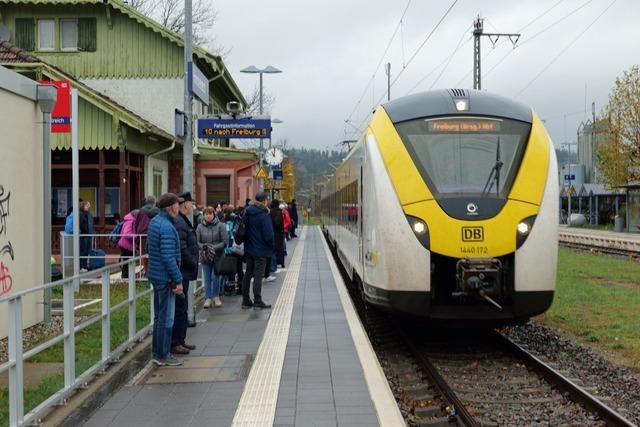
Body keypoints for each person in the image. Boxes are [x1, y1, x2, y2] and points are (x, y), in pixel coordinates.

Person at [147, 193, 183, 366]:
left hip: (156, 275)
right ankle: (163, 354)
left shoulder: (155, 222)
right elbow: (169, 257)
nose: (179, 207)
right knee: (167, 318)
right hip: (165, 277)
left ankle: (157, 351)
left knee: (158, 317)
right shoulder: (167, 227)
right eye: (177, 204)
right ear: (171, 207)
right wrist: (178, 279)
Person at [171, 192, 199, 355]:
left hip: (185, 271)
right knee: (180, 308)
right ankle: (175, 342)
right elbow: (182, 247)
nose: (193, 207)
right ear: (185, 204)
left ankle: (180, 340)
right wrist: (192, 261)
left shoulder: (183, 220)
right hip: (183, 270)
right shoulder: (180, 222)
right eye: (192, 203)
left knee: (182, 307)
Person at [241, 192, 274, 310]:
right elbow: (269, 235)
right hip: (261, 250)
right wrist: (271, 246)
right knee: (258, 275)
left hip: (249, 248)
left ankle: (245, 300)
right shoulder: (263, 214)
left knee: (248, 273)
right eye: (267, 200)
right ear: (264, 201)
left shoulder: (247, 212)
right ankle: (257, 300)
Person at [196, 206, 227, 308]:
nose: (208, 216)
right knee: (207, 278)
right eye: (206, 214)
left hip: (218, 256)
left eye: (210, 214)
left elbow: (224, 242)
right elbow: (197, 242)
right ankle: (208, 298)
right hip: (205, 256)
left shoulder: (221, 226)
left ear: (214, 214)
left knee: (215, 276)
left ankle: (216, 296)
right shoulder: (199, 227)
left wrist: (213, 247)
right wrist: (204, 247)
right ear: (203, 215)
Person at [269, 200, 285, 271]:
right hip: (277, 234)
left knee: (273, 250)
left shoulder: (271, 212)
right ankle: (274, 267)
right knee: (276, 250)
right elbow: (278, 224)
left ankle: (273, 267)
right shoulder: (278, 212)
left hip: (273, 233)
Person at [79, 200, 93, 271]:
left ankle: (84, 265)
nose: (89, 207)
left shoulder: (87, 214)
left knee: (86, 251)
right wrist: (84, 231)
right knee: (83, 251)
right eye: (87, 205)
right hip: (84, 235)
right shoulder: (81, 214)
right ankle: (81, 267)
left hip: (87, 235)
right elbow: (81, 225)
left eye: (89, 205)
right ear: (83, 206)